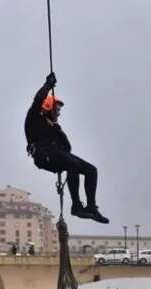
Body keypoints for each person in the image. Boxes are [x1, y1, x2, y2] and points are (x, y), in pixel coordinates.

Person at [24, 72, 109, 224]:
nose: (59, 113)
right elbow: (37, 100)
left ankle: (91, 207)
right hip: (44, 156)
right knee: (72, 164)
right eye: (57, 110)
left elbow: (68, 148)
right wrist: (48, 85)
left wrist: (56, 129)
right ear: (48, 108)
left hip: (57, 155)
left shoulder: (55, 127)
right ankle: (76, 205)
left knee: (91, 170)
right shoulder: (34, 118)